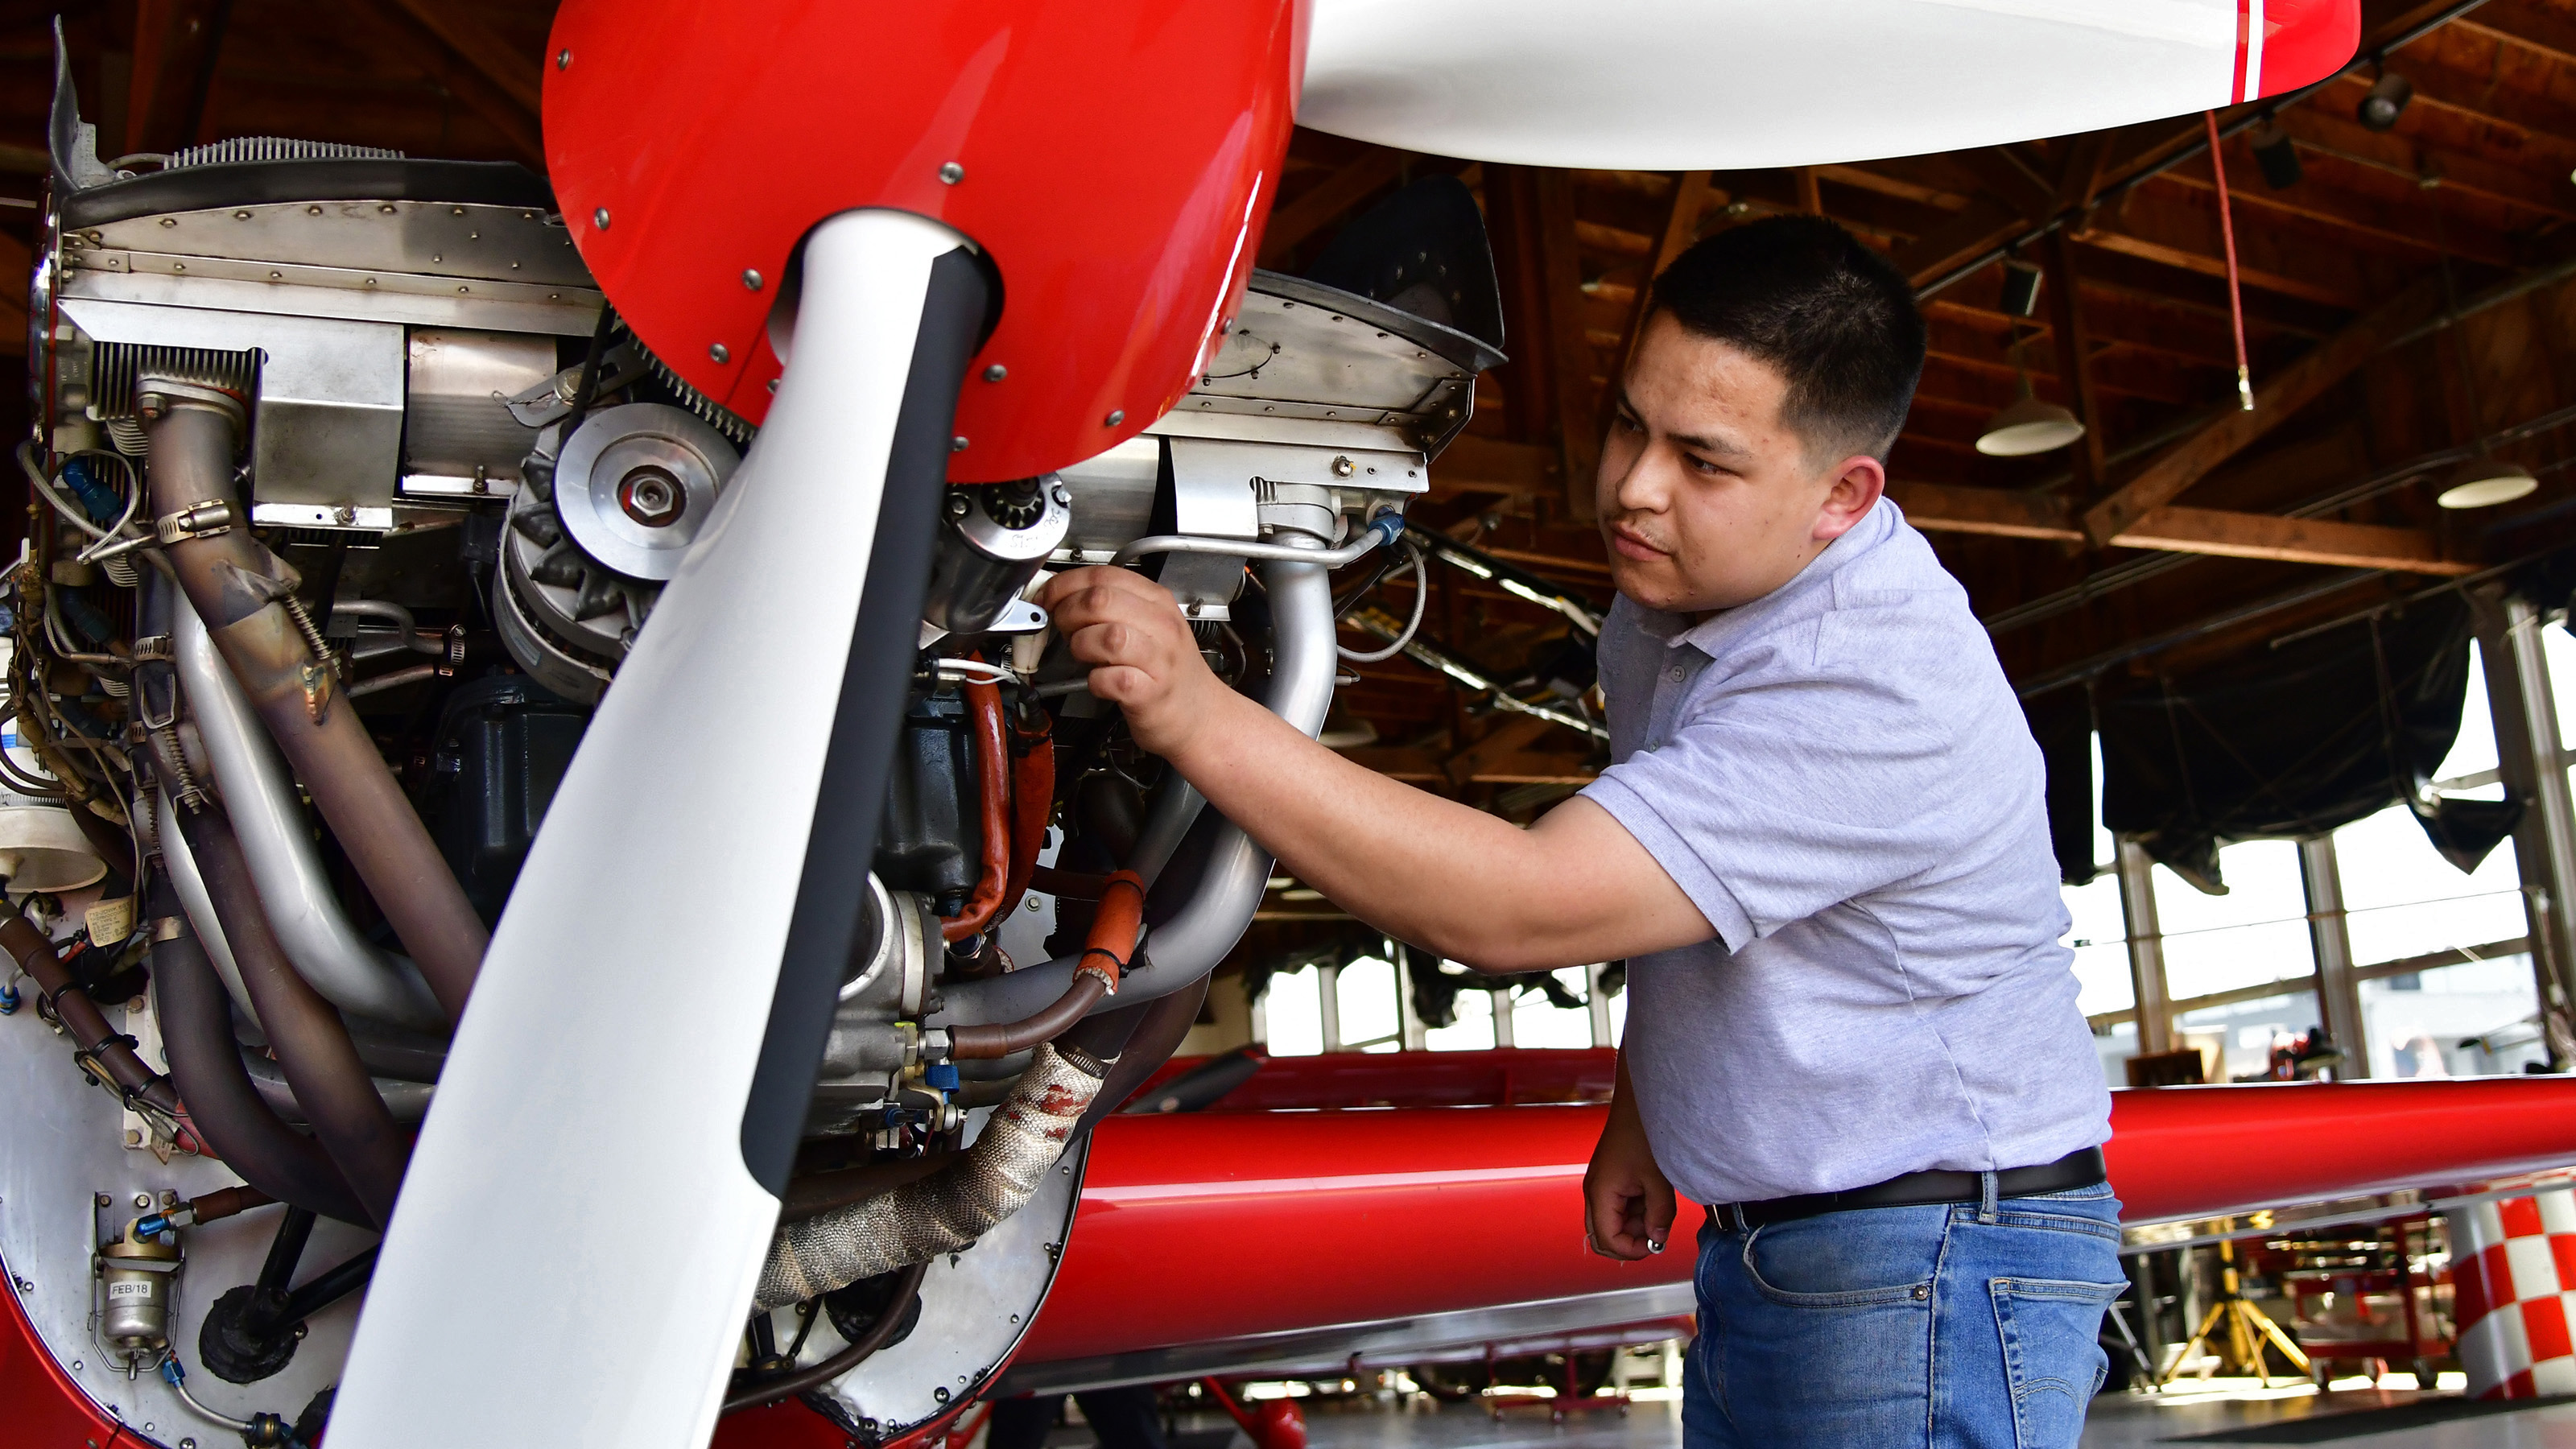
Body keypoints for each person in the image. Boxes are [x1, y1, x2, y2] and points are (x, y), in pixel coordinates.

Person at [1039, 215, 2120, 1447]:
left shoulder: (1873, 679)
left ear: (1842, 495)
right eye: (1627, 423)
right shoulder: (1677, 603)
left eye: (1702, 462)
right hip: (1795, 1235)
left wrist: (1194, 711)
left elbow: (1528, 905)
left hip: (1930, 1254)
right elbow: (1697, 900)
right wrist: (1645, 1109)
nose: (1633, 489)